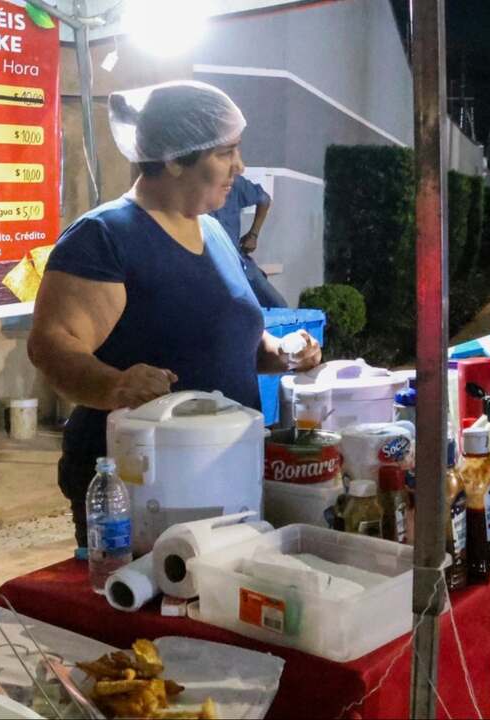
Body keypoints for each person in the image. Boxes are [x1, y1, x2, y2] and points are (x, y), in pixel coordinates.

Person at [28, 81, 322, 550]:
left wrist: (280, 352)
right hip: (143, 485)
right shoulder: (105, 237)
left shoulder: (213, 230)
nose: (239, 167)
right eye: (226, 153)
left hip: (226, 472)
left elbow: (224, 337)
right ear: (172, 158)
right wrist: (112, 385)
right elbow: (52, 344)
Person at [208, 173, 287, 307]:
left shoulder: (233, 181)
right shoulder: (189, 187)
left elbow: (264, 199)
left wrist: (253, 234)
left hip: (239, 263)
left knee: (278, 306)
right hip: (208, 268)